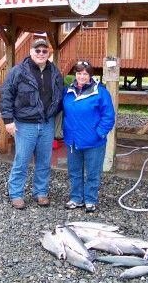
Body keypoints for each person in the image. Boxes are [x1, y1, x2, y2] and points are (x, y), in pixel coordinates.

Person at [0, 38, 64, 209]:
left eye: (44, 51)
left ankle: (41, 193)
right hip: (24, 124)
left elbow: (59, 96)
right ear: (31, 52)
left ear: (48, 53)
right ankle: (16, 194)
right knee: (22, 160)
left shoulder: (55, 72)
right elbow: (6, 96)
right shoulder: (17, 72)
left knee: (44, 161)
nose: (41, 54)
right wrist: (8, 121)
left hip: (47, 123)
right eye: (37, 50)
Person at [62, 61, 115, 213]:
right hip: (72, 139)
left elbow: (109, 115)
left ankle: (90, 200)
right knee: (74, 171)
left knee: (93, 172)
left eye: (85, 73)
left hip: (94, 140)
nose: (82, 76)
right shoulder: (67, 91)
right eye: (79, 73)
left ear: (91, 75)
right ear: (75, 74)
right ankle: (76, 198)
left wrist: (99, 132)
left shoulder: (101, 92)